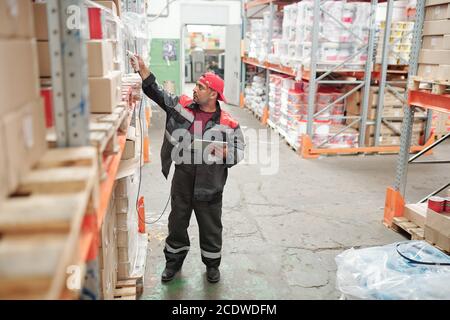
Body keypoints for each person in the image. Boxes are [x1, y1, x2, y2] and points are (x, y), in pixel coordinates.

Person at [130, 55, 245, 283]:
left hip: (210, 185)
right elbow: (158, 94)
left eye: (201, 87)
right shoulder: (183, 105)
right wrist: (143, 70)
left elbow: (239, 149)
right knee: (177, 224)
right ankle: (173, 262)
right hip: (183, 179)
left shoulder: (228, 122)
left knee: (211, 228)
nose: (195, 90)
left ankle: (212, 265)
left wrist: (227, 153)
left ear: (213, 94)